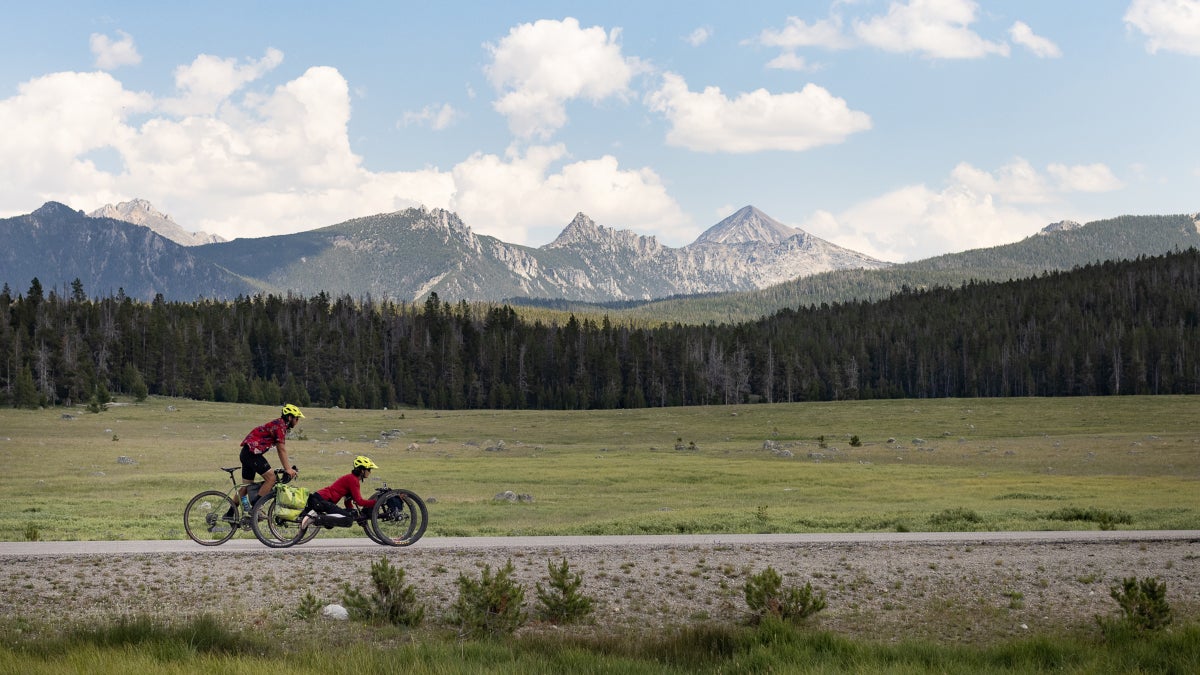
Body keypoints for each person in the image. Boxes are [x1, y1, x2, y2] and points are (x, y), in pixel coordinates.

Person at [238, 404, 303, 512]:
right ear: (290, 417)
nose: (297, 421)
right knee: (271, 478)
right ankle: (255, 510)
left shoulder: (279, 424)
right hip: (252, 454)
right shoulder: (280, 426)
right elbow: (281, 449)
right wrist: (288, 469)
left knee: (246, 487)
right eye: (297, 418)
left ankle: (230, 513)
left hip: (247, 453)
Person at [300, 455, 379, 531]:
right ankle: (313, 519)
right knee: (348, 520)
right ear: (362, 470)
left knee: (347, 516)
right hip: (321, 500)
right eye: (369, 469)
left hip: (320, 499)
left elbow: (347, 501)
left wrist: (354, 513)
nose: (370, 472)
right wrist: (376, 503)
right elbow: (359, 502)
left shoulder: (351, 478)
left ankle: (315, 518)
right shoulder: (353, 480)